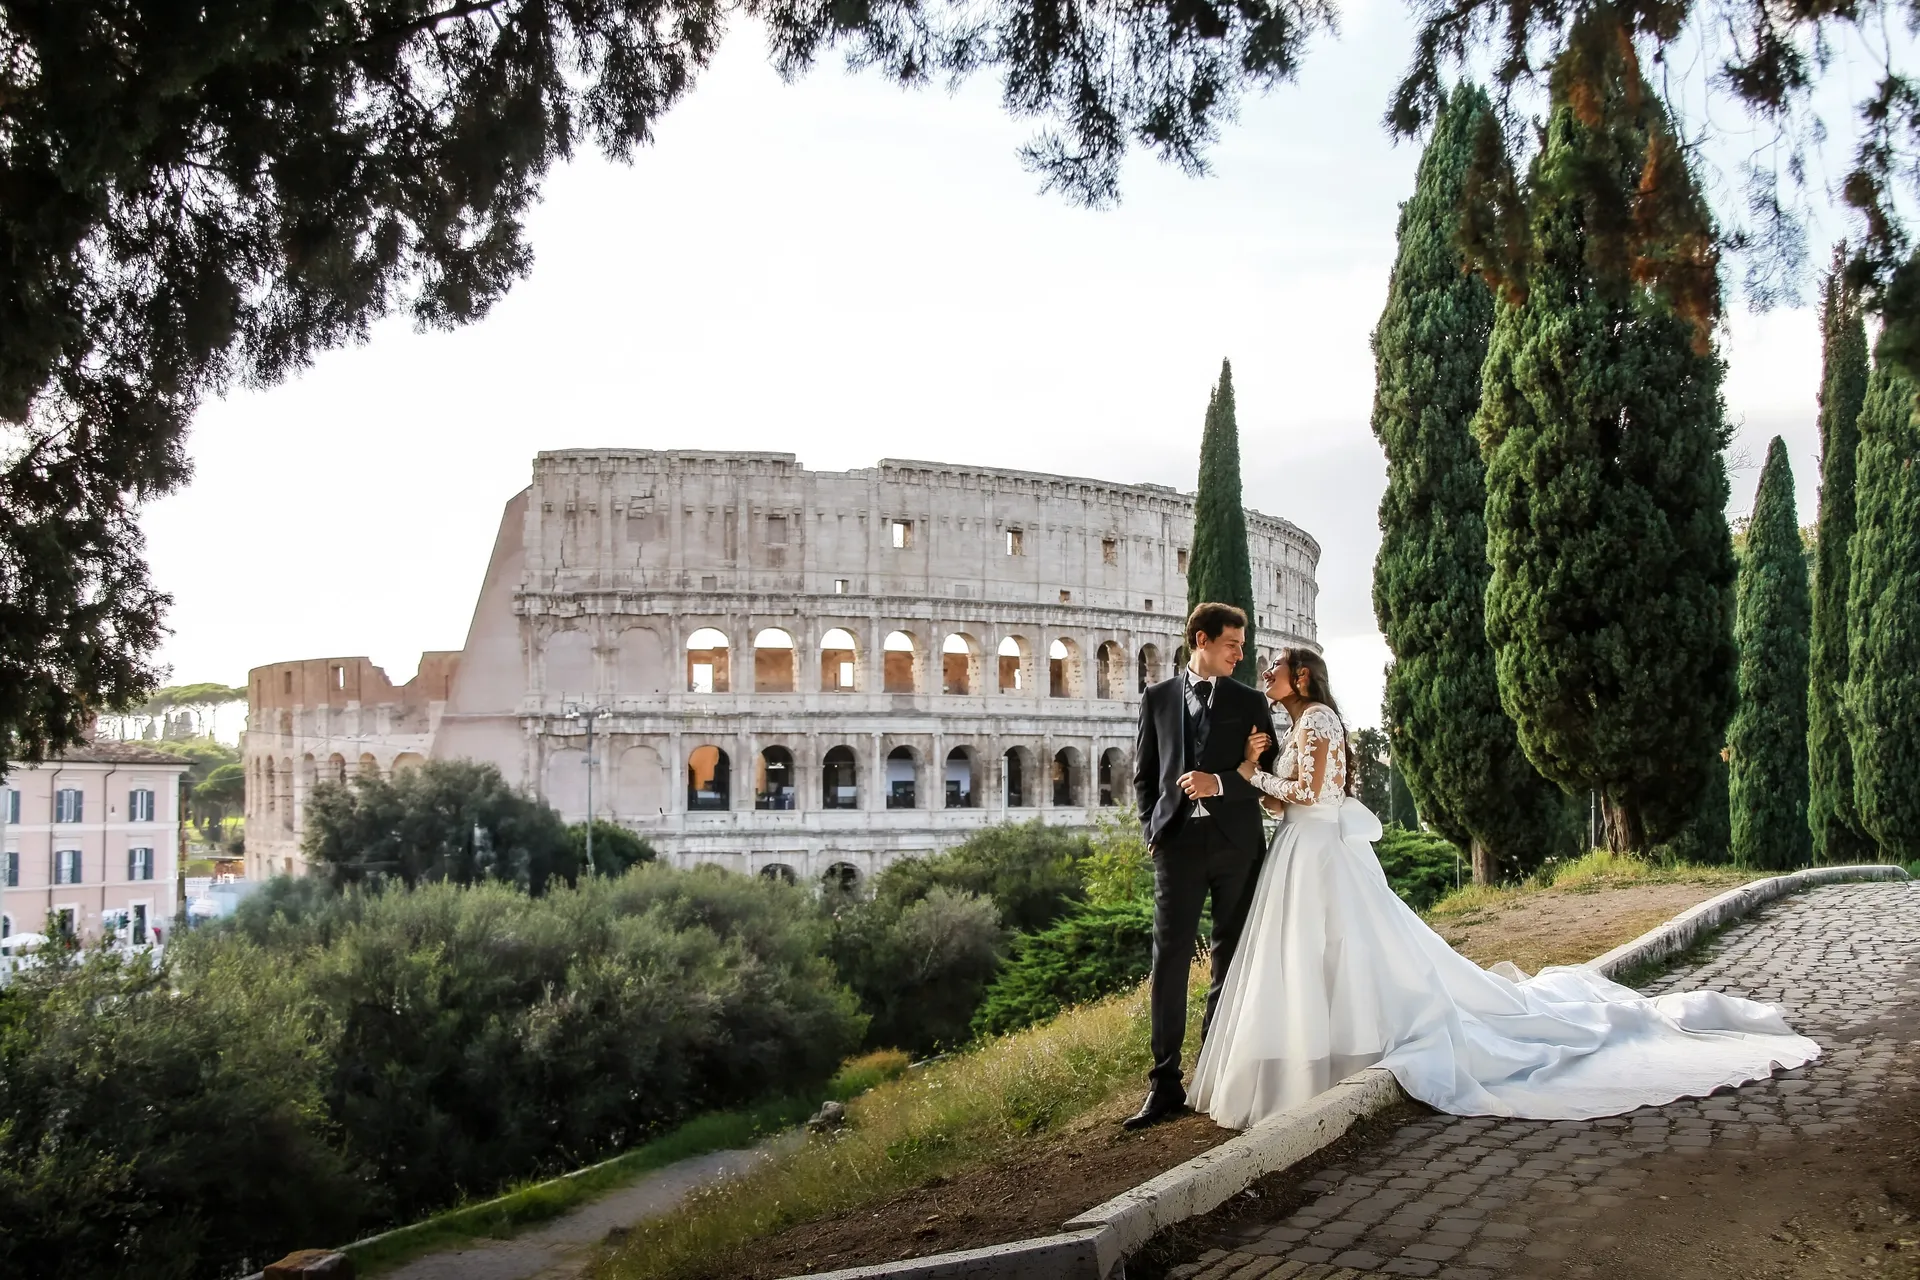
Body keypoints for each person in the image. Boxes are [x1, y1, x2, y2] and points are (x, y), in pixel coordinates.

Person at [1189, 647, 1819, 1126]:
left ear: (1301, 679)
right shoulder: (1296, 729)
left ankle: (1341, 1055)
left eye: (1275, 670)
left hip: (1321, 854)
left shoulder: (1321, 720)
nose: (1265, 676)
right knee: (1311, 959)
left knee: (1347, 954)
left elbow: (1317, 796)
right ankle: (1314, 1057)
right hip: (1300, 852)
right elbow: (1289, 806)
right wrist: (1260, 769)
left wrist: (1251, 774)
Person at [1124, 602, 1280, 1130]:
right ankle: (1164, 1083)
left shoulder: (1251, 701)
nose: (1241, 653)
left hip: (1237, 844)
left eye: (1241, 645)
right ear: (1201, 641)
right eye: (1232, 645)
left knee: (1228, 958)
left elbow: (1272, 776)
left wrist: (1224, 782)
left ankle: (1215, 1074)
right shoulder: (1158, 699)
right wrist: (1153, 831)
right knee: (1168, 962)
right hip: (1178, 847)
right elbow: (1145, 774)